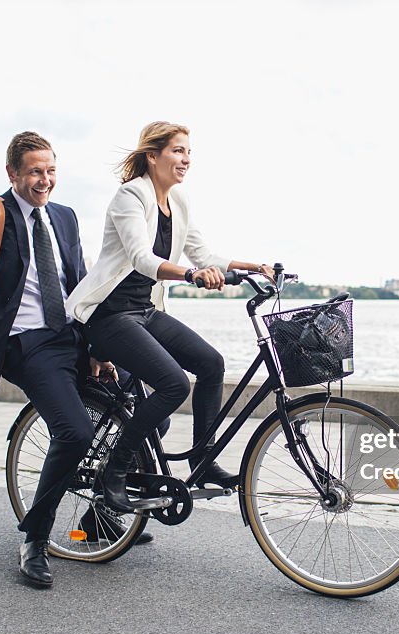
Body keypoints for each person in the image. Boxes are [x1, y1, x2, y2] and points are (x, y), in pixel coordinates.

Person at [0, 131, 150, 588]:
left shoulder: (64, 216)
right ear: (13, 173)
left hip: (72, 333)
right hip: (25, 343)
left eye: (51, 170)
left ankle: (101, 512)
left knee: (147, 407)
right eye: (35, 171)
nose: (45, 180)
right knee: (74, 432)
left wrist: (97, 346)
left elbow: (80, 280)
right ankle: (35, 538)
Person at [66, 121, 274, 513]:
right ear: (153, 155)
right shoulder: (131, 196)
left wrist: (252, 267)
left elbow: (203, 254)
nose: (186, 160)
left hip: (146, 311)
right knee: (173, 384)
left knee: (211, 364)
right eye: (178, 151)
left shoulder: (178, 201)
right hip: (110, 316)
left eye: (189, 152)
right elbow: (143, 259)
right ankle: (115, 469)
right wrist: (191, 275)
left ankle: (203, 459)